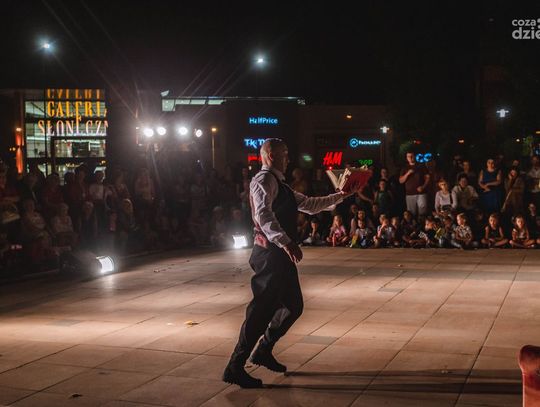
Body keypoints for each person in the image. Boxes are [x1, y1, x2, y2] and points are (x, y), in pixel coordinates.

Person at [223, 138, 360, 388]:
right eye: (284, 154)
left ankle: (263, 350)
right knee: (261, 311)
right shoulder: (264, 180)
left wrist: (341, 195)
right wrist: (286, 242)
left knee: (293, 306)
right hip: (270, 255)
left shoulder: (279, 184)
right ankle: (235, 366)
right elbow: (263, 216)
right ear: (271, 155)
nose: (288, 158)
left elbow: (309, 205)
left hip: (280, 256)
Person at [399, 151, 430, 216]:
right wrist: (407, 173)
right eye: (408, 156)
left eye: (412, 156)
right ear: (406, 158)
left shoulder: (421, 166)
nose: (410, 158)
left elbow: (428, 178)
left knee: (423, 214)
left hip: (421, 193)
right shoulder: (404, 168)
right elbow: (401, 181)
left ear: (415, 156)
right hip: (410, 194)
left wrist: (423, 187)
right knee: (411, 214)